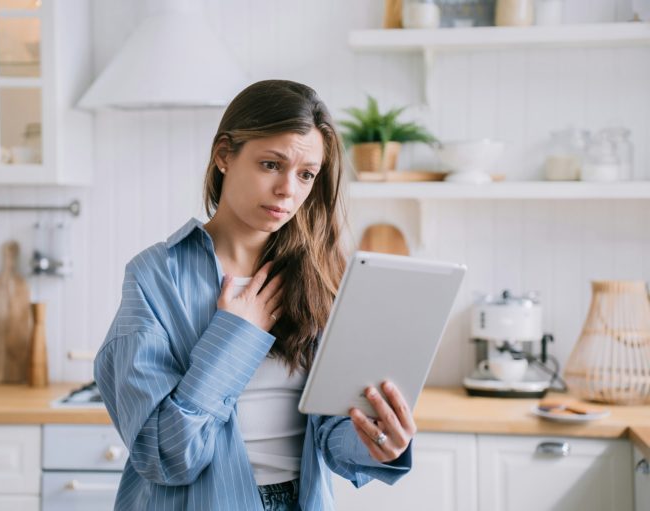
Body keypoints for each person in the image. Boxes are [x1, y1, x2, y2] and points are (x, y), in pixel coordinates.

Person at [94, 79, 416, 511]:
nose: (288, 190)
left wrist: (380, 442)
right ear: (224, 154)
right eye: (270, 164)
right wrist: (235, 337)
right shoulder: (155, 277)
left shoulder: (322, 277)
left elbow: (332, 438)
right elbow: (164, 457)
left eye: (305, 174)